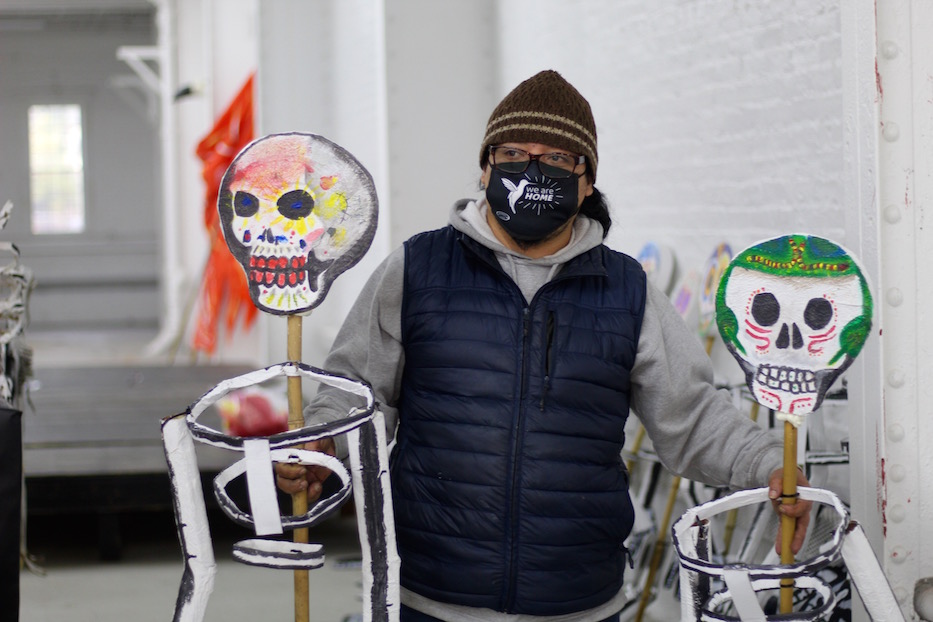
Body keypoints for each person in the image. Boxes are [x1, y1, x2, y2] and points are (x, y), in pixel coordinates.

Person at [276, 69, 811, 622]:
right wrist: (319, 446)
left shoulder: (627, 291)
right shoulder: (416, 268)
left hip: (578, 600)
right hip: (429, 594)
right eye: (513, 152)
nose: (531, 169)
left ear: (586, 183)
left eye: (556, 159)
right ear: (486, 168)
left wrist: (771, 464)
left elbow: (692, 418)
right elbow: (356, 397)